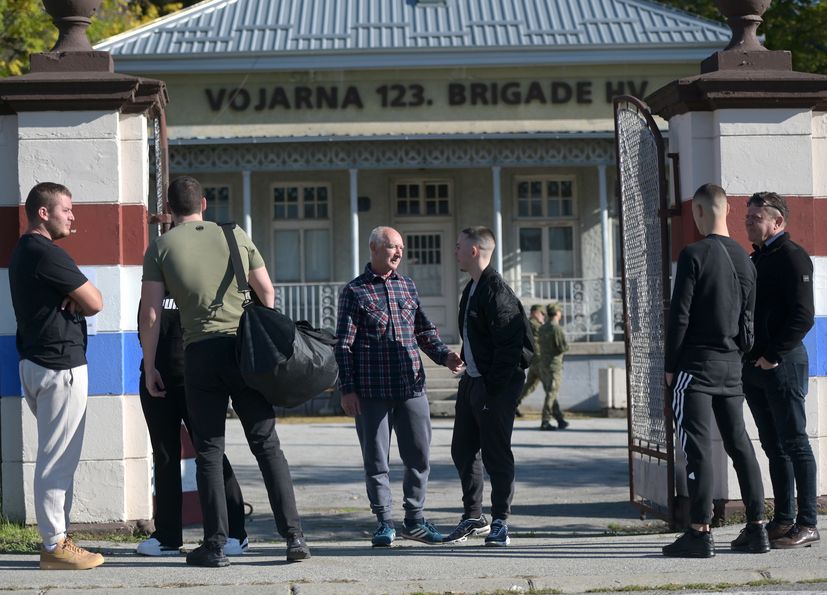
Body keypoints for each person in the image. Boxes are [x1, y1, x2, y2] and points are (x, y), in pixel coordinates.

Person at [139, 176, 310, 567]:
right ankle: (294, 537)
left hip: (200, 353)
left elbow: (150, 313)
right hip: (244, 352)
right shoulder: (234, 235)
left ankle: (215, 544)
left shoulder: (161, 247)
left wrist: (150, 366)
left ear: (170, 208)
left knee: (209, 450)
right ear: (203, 203)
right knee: (266, 444)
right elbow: (266, 292)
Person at [335, 226, 463, 547]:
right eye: (393, 247)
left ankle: (415, 520)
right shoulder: (355, 292)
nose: (399, 253)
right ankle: (384, 522)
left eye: (402, 248)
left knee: (419, 455)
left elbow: (423, 330)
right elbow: (344, 345)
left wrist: (445, 355)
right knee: (376, 460)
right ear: (374, 248)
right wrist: (347, 389)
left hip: (411, 387)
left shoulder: (407, 286)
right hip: (370, 391)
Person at [662, 184, 768, 558]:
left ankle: (699, 531)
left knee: (697, 448)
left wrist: (670, 366)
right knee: (740, 444)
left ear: (702, 212)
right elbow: (750, 320)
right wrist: (738, 352)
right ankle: (758, 527)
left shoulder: (693, 254)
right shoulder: (744, 258)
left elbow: (679, 316)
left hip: (696, 366)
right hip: (731, 366)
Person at [9, 182, 105, 570]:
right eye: (67, 209)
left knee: (56, 454)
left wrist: (75, 299)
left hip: (38, 362)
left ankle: (58, 537)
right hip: (58, 365)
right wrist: (80, 300)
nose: (73, 216)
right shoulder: (45, 252)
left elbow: (83, 299)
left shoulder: (25, 251)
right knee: (58, 458)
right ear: (43, 212)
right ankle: (54, 545)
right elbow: (96, 301)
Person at [136, 293, 249, 557]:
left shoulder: (192, 281)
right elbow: (144, 328)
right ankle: (167, 535)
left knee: (210, 453)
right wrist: (150, 369)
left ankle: (236, 533)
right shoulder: (151, 286)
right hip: (155, 379)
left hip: (197, 381)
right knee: (164, 456)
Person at [444, 226, 532, 547]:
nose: (454, 251)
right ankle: (473, 518)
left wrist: (492, 389)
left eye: (458, 246)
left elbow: (511, 348)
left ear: (474, 251)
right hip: (473, 380)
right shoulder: (472, 289)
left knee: (496, 453)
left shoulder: (498, 293)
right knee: (463, 449)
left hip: (495, 386)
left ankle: (500, 523)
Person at [742, 191, 818, 549]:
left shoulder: (792, 256)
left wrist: (772, 355)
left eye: (756, 217)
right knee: (774, 446)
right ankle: (783, 519)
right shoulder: (758, 259)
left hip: (782, 363)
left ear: (777, 222)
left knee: (795, 443)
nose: (748, 222)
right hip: (754, 367)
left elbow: (802, 317)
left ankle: (807, 523)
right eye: (748, 217)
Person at [538, 303, 569, 431]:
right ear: (556, 313)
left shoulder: (542, 328)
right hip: (554, 365)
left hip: (543, 364)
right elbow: (563, 347)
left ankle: (559, 418)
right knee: (551, 393)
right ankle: (545, 421)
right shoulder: (556, 328)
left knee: (551, 392)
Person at [514, 305, 544, 417]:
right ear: (536, 313)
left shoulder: (530, 323)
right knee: (549, 386)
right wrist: (542, 323)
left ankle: (514, 404)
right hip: (538, 360)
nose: (543, 316)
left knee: (530, 385)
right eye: (542, 314)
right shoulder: (533, 323)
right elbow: (545, 334)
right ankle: (556, 416)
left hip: (536, 359)